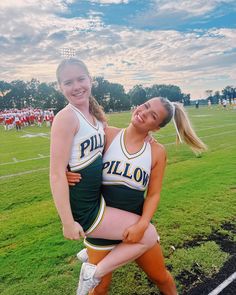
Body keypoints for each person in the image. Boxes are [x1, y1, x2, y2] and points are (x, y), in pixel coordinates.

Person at [67, 97, 207, 294]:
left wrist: (142, 225)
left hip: (135, 226)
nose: (144, 113)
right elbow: (77, 156)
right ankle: (94, 257)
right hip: (102, 225)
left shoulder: (157, 151)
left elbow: (153, 194)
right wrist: (67, 171)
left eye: (153, 116)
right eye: (146, 106)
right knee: (99, 288)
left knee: (161, 277)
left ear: (156, 127)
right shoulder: (107, 134)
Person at [50, 58, 162, 295]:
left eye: (81, 79)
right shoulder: (66, 117)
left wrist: (146, 136)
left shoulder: (96, 118)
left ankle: (89, 255)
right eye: (68, 82)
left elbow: (115, 141)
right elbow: (56, 173)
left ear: (91, 80)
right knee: (149, 234)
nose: (76, 86)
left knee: (140, 228)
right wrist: (67, 222)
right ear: (60, 87)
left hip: (97, 202)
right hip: (86, 210)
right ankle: (93, 271)